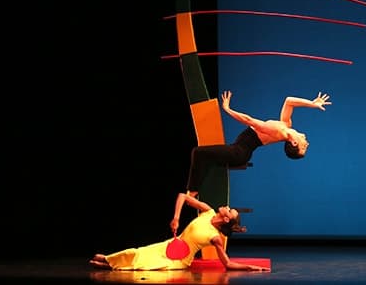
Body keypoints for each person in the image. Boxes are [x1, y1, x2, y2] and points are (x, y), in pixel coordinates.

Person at [186, 90, 332, 197]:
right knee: (208, 158)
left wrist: (228, 109)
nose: (307, 144)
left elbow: (249, 120)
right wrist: (312, 103)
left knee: (198, 152)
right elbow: (289, 101)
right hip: (241, 150)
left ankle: (192, 190)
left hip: (239, 153)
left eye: (303, 147)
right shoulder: (285, 125)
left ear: (293, 143)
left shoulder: (278, 131)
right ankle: (198, 185)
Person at [89, 192, 269, 271]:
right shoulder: (208, 211)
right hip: (170, 245)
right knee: (136, 252)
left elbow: (227, 264)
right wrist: (176, 217)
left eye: (230, 210)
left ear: (227, 219)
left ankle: (108, 264)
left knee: (146, 266)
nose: (227, 206)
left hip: (179, 260)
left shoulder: (216, 238)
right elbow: (183, 196)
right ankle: (108, 260)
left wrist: (251, 267)